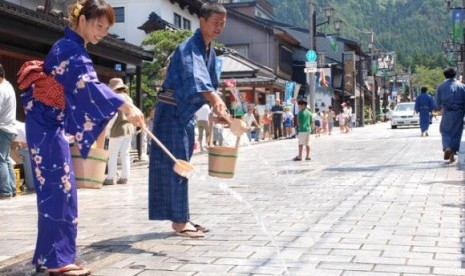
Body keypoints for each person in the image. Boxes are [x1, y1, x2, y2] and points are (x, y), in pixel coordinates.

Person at [16, 1, 145, 274]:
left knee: (55, 190)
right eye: (99, 26)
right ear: (83, 20)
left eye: (107, 29)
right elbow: (88, 86)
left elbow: (83, 89)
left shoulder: (72, 48)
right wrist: (126, 104)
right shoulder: (68, 50)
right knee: (59, 191)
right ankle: (58, 261)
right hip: (46, 124)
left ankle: (47, 257)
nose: (102, 33)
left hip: (49, 124)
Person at [148, 2, 228, 238]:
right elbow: (198, 79)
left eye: (222, 24)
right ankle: (180, 221)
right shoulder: (188, 48)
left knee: (182, 165)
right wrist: (214, 100)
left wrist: (217, 106)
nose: (218, 27)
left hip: (184, 115)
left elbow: (208, 85)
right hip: (171, 113)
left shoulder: (208, 49)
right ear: (202, 20)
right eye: (215, 22)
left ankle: (181, 217)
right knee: (176, 166)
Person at [103, 78, 135, 185]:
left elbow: (114, 116)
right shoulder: (128, 98)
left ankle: (111, 177)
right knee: (125, 154)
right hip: (129, 128)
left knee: (113, 154)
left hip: (118, 129)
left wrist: (107, 130)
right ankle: (125, 177)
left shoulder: (115, 98)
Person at [435, 67, 465, 163]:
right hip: (459, 113)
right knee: (456, 133)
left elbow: (437, 103)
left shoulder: (441, 86)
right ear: (455, 75)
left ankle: (447, 147)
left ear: (445, 75)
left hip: (447, 112)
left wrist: (438, 109)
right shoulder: (462, 86)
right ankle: (453, 153)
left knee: (445, 131)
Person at [0, 63, 17, 199]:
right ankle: (12, 188)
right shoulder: (8, 85)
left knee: (1, 160)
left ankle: (5, 191)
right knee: (5, 159)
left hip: (2, 128)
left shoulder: (1, 89)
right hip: (10, 127)